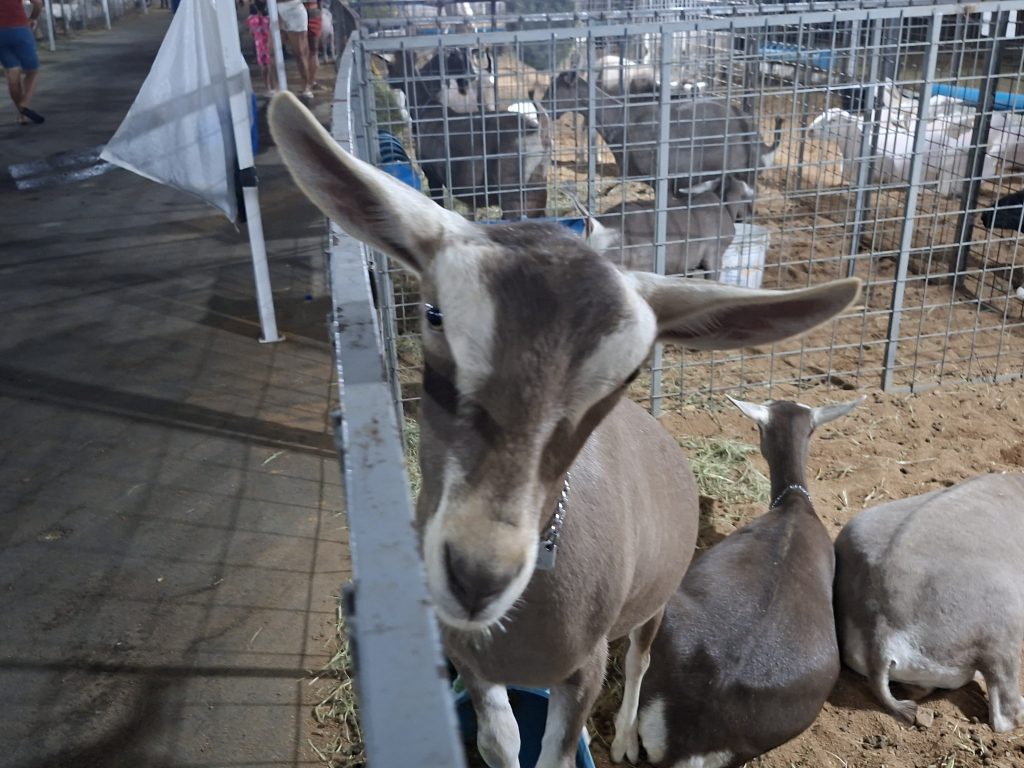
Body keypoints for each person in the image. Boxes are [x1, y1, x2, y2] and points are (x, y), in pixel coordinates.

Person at [0, 0, 44, 124]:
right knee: (33, 71)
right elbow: (38, 3)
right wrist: (33, 18)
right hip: (19, 29)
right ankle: (24, 105)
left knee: (12, 73)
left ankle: (21, 113)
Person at [275, 0, 313, 98]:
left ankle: (306, 85)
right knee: (272, 52)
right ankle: (275, 87)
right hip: (276, 11)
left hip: (294, 10)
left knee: (300, 53)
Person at [246, 0, 277, 94]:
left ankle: (272, 85)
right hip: (257, 22)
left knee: (270, 58)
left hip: (266, 19)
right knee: (264, 60)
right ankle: (268, 86)